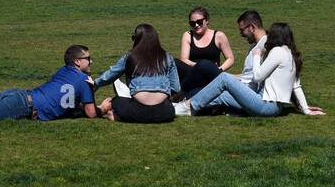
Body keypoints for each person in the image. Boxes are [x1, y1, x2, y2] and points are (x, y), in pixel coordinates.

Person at [177, 22, 321, 117]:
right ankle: (183, 105)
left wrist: (257, 56)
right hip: (274, 107)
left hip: (266, 106)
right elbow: (296, 86)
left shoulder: (277, 51)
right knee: (220, 95)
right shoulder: (290, 54)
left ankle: (189, 107)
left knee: (224, 79)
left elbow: (257, 76)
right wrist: (306, 109)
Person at [93, 23, 178, 123]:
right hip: (165, 113)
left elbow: (111, 75)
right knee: (166, 105)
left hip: (137, 111)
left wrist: (95, 84)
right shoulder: (167, 57)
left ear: (137, 39)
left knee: (116, 101)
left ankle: (117, 117)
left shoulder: (130, 56)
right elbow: (176, 87)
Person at [175, 7, 235, 97]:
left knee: (204, 67)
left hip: (212, 74)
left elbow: (230, 58)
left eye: (199, 22)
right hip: (192, 73)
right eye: (192, 23)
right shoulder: (188, 35)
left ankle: (181, 94)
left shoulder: (219, 36)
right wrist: (201, 67)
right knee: (173, 62)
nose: (196, 25)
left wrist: (219, 69)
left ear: (206, 20)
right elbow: (184, 59)